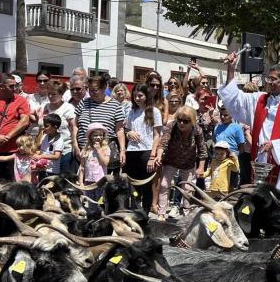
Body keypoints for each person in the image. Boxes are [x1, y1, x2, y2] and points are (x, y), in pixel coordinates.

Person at [219, 52, 280, 207]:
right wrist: (231, 69)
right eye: (268, 78)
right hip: (260, 160)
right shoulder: (259, 100)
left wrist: (274, 145)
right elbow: (234, 99)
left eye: (273, 79)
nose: (269, 82)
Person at [155, 106, 206, 216]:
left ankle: (187, 213)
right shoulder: (171, 126)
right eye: (179, 120)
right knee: (164, 185)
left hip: (188, 163)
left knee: (187, 189)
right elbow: (163, 142)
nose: (181, 123)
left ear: (191, 121)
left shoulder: (197, 130)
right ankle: (161, 213)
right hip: (170, 160)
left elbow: (202, 150)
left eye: (186, 121)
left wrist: (201, 168)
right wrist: (159, 155)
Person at [73, 75, 126, 177]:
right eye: (90, 90)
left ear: (104, 88)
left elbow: (119, 130)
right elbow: (75, 125)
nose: (91, 93)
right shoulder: (83, 103)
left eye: (95, 90)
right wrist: (75, 145)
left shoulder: (115, 105)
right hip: (83, 152)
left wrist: (123, 150)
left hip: (104, 153)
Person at [123, 83, 163, 213]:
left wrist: (152, 156)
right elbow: (127, 129)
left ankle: (145, 211)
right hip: (132, 151)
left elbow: (157, 135)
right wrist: (129, 133)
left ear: (146, 96)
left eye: (140, 95)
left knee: (146, 184)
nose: (137, 98)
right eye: (135, 96)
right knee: (134, 185)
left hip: (146, 151)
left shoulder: (154, 111)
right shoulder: (131, 112)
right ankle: (135, 209)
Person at [42, 81, 76, 174]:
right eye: (49, 94)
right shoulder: (46, 107)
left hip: (65, 149)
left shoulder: (68, 107)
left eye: (53, 94)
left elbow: (73, 128)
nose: (50, 96)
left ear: (61, 94)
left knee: (63, 178)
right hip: (47, 150)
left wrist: (75, 145)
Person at [79, 123, 110, 205]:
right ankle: (92, 217)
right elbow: (82, 167)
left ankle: (100, 216)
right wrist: (81, 182)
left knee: (100, 203)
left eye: (101, 135)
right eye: (95, 135)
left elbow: (105, 163)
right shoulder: (86, 149)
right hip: (89, 181)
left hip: (101, 181)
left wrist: (99, 150)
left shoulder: (105, 148)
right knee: (90, 203)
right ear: (90, 136)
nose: (99, 137)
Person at [36, 113, 64, 180]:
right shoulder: (45, 136)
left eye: (46, 126)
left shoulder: (59, 139)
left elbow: (56, 156)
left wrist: (41, 156)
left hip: (51, 171)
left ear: (55, 127)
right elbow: (39, 148)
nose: (44, 127)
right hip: (41, 169)